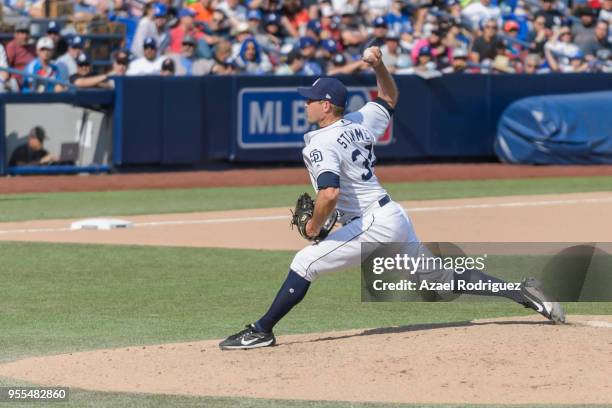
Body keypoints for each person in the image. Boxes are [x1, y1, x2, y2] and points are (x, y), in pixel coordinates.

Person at [218, 46, 566, 350]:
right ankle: (520, 291)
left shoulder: (320, 142)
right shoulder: (360, 121)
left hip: (374, 223)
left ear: (326, 106)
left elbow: (329, 193)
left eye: (309, 100)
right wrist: (379, 66)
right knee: (439, 279)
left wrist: (312, 227)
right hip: (392, 215)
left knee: (304, 262)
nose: (305, 104)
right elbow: (389, 98)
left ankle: (261, 330)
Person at [6, 20, 36, 87]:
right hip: (16, 81)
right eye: (22, 33)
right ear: (16, 34)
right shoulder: (11, 46)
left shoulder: (33, 47)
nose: (25, 36)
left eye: (27, 33)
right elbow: (7, 67)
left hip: (33, 79)